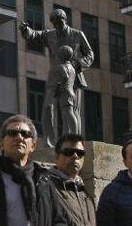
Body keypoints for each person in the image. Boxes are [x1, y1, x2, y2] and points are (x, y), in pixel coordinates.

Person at [19, 8, 94, 145]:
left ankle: (71, 142)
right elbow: (35, 35)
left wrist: (78, 64)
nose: (58, 25)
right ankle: (49, 142)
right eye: (55, 23)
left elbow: (90, 55)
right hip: (54, 77)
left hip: (73, 78)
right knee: (48, 108)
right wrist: (26, 31)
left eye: (60, 22)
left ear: (65, 20)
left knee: (70, 110)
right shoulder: (50, 35)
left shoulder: (77, 34)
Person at [53, 46, 79, 136]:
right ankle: (66, 135)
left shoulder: (61, 67)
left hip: (65, 93)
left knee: (68, 113)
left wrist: (60, 87)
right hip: (71, 92)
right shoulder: (72, 68)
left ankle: (74, 134)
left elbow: (64, 76)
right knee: (65, 115)